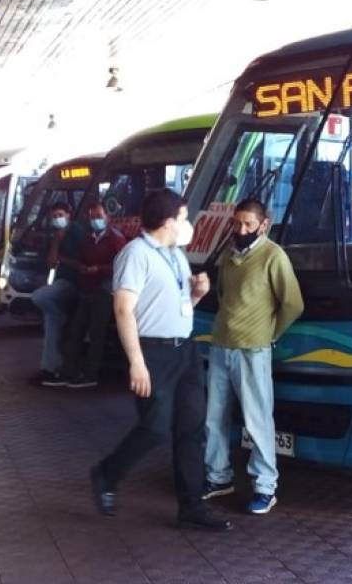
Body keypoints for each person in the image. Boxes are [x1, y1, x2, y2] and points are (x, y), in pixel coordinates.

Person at [90, 189, 231, 531]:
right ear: (169, 222)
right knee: (154, 428)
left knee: (191, 428)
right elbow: (123, 309)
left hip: (185, 350)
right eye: (183, 218)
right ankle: (106, 474)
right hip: (152, 353)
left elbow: (178, 305)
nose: (187, 225)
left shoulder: (175, 254)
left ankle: (191, 507)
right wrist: (136, 362)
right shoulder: (135, 255)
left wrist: (196, 294)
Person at [203, 199, 304, 515]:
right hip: (221, 345)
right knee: (213, 417)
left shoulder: (273, 256)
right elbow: (223, 296)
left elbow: (293, 304)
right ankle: (218, 478)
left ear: (264, 224)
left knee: (257, 420)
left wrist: (269, 334)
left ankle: (264, 487)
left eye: (248, 224)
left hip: (253, 349)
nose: (241, 230)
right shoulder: (229, 255)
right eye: (237, 223)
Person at [59, 202, 126, 388]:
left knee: (97, 334)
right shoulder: (89, 239)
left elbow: (121, 266)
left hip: (105, 292)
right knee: (76, 331)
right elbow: (82, 258)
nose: (95, 220)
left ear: (108, 217)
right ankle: (68, 370)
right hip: (87, 290)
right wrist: (82, 267)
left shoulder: (116, 239)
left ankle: (91, 374)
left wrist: (99, 269)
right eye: (93, 217)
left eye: (99, 216)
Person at [32, 202, 85, 386]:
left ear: (69, 215)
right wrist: (56, 241)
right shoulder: (56, 235)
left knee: (39, 297)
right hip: (60, 281)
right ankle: (49, 368)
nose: (57, 219)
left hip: (73, 283)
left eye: (60, 215)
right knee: (50, 322)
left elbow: (81, 263)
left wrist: (62, 258)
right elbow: (51, 262)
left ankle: (57, 314)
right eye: (54, 217)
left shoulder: (77, 232)